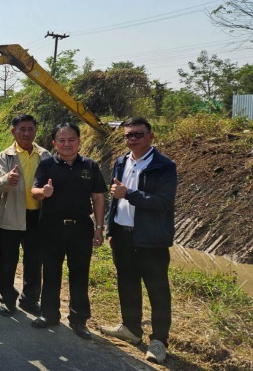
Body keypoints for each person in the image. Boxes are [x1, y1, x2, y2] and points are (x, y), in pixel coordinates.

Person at [100, 117, 177, 365]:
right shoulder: (121, 162)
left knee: (158, 290)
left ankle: (159, 341)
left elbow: (164, 202)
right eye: (128, 135)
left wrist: (130, 194)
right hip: (122, 235)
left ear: (150, 137)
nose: (132, 139)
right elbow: (114, 199)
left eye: (138, 134)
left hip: (150, 238)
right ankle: (131, 328)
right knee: (127, 283)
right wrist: (111, 229)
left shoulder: (164, 166)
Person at [30, 122, 105, 340]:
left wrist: (99, 227)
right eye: (61, 140)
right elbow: (34, 192)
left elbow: (98, 197)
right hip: (51, 227)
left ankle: (79, 320)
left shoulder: (90, 166)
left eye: (71, 139)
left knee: (80, 274)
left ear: (79, 141)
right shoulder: (46, 165)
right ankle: (49, 314)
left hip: (81, 228)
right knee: (51, 272)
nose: (67, 144)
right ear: (54, 143)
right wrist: (44, 192)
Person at [0, 114, 51, 317]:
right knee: (8, 261)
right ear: (13, 131)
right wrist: (8, 179)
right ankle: (8, 300)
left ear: (36, 131)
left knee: (34, 261)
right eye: (22, 129)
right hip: (11, 215)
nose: (26, 133)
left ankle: (30, 299)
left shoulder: (45, 155)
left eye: (30, 129)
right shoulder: (4, 157)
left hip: (37, 216)